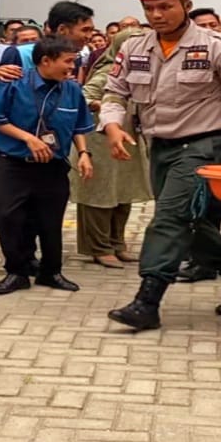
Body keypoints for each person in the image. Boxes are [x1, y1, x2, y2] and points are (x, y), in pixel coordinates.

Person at [101, 0, 221, 331]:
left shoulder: (218, 46)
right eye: (149, 8)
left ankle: (147, 300)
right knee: (189, 223)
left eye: (165, 6)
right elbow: (115, 91)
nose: (157, 15)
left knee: (169, 219)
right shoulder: (134, 46)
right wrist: (113, 126)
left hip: (204, 145)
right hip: (159, 146)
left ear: (186, 4)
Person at [0, 1, 95, 283]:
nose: (89, 35)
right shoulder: (21, 53)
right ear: (63, 29)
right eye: (84, 29)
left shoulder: (73, 59)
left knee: (36, 204)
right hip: (9, 141)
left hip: (47, 148)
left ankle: (26, 260)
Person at [0, 35, 94, 294]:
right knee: (9, 217)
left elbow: (79, 125)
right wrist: (29, 139)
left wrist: (84, 153)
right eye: (67, 61)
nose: (72, 67)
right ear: (46, 60)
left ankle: (51, 272)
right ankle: (16, 272)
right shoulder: (13, 83)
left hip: (53, 166)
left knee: (50, 221)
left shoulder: (72, 90)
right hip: (13, 163)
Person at [72, 28, 150, 269]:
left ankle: (117, 242)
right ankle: (99, 247)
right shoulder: (107, 72)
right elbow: (82, 97)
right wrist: (100, 106)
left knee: (122, 194)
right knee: (99, 196)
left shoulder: (138, 74)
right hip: (99, 142)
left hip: (125, 141)